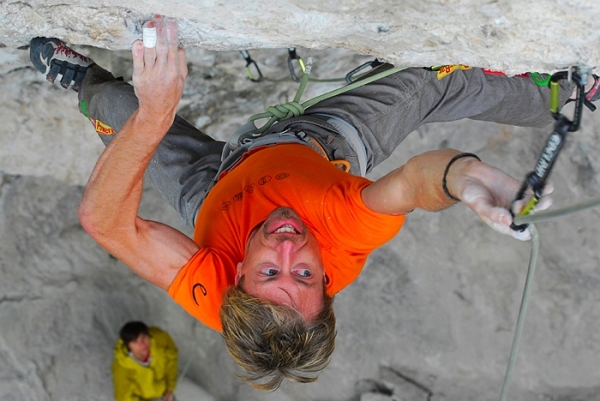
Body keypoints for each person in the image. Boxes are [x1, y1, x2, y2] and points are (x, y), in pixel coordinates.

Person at [29, 16, 598, 390]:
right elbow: (413, 186)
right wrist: (466, 179)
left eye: (270, 270)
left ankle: (79, 77)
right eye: (303, 272)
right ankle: (562, 92)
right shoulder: (341, 239)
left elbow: (104, 222)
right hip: (325, 142)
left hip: (209, 188)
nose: (288, 243)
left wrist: (153, 117)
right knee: (427, 82)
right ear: (326, 281)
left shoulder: (215, 294)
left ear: (234, 281)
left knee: (116, 110)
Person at [112, 321, 178, 401]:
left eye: (143, 338)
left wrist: (169, 388)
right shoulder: (122, 368)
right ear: (128, 346)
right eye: (135, 342)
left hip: (164, 393)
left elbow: (171, 361)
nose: (142, 344)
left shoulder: (162, 341)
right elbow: (124, 397)